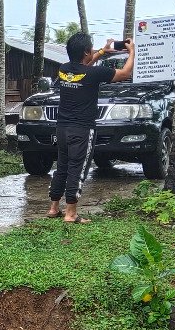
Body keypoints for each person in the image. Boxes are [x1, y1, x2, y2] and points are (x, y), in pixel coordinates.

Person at [46, 33, 135, 223]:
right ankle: (70, 214)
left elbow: (84, 65)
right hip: (82, 130)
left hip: (62, 128)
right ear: (86, 52)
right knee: (77, 169)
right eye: (92, 49)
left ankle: (54, 208)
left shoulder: (64, 70)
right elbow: (125, 73)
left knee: (62, 166)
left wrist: (103, 50)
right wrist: (132, 52)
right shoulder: (95, 73)